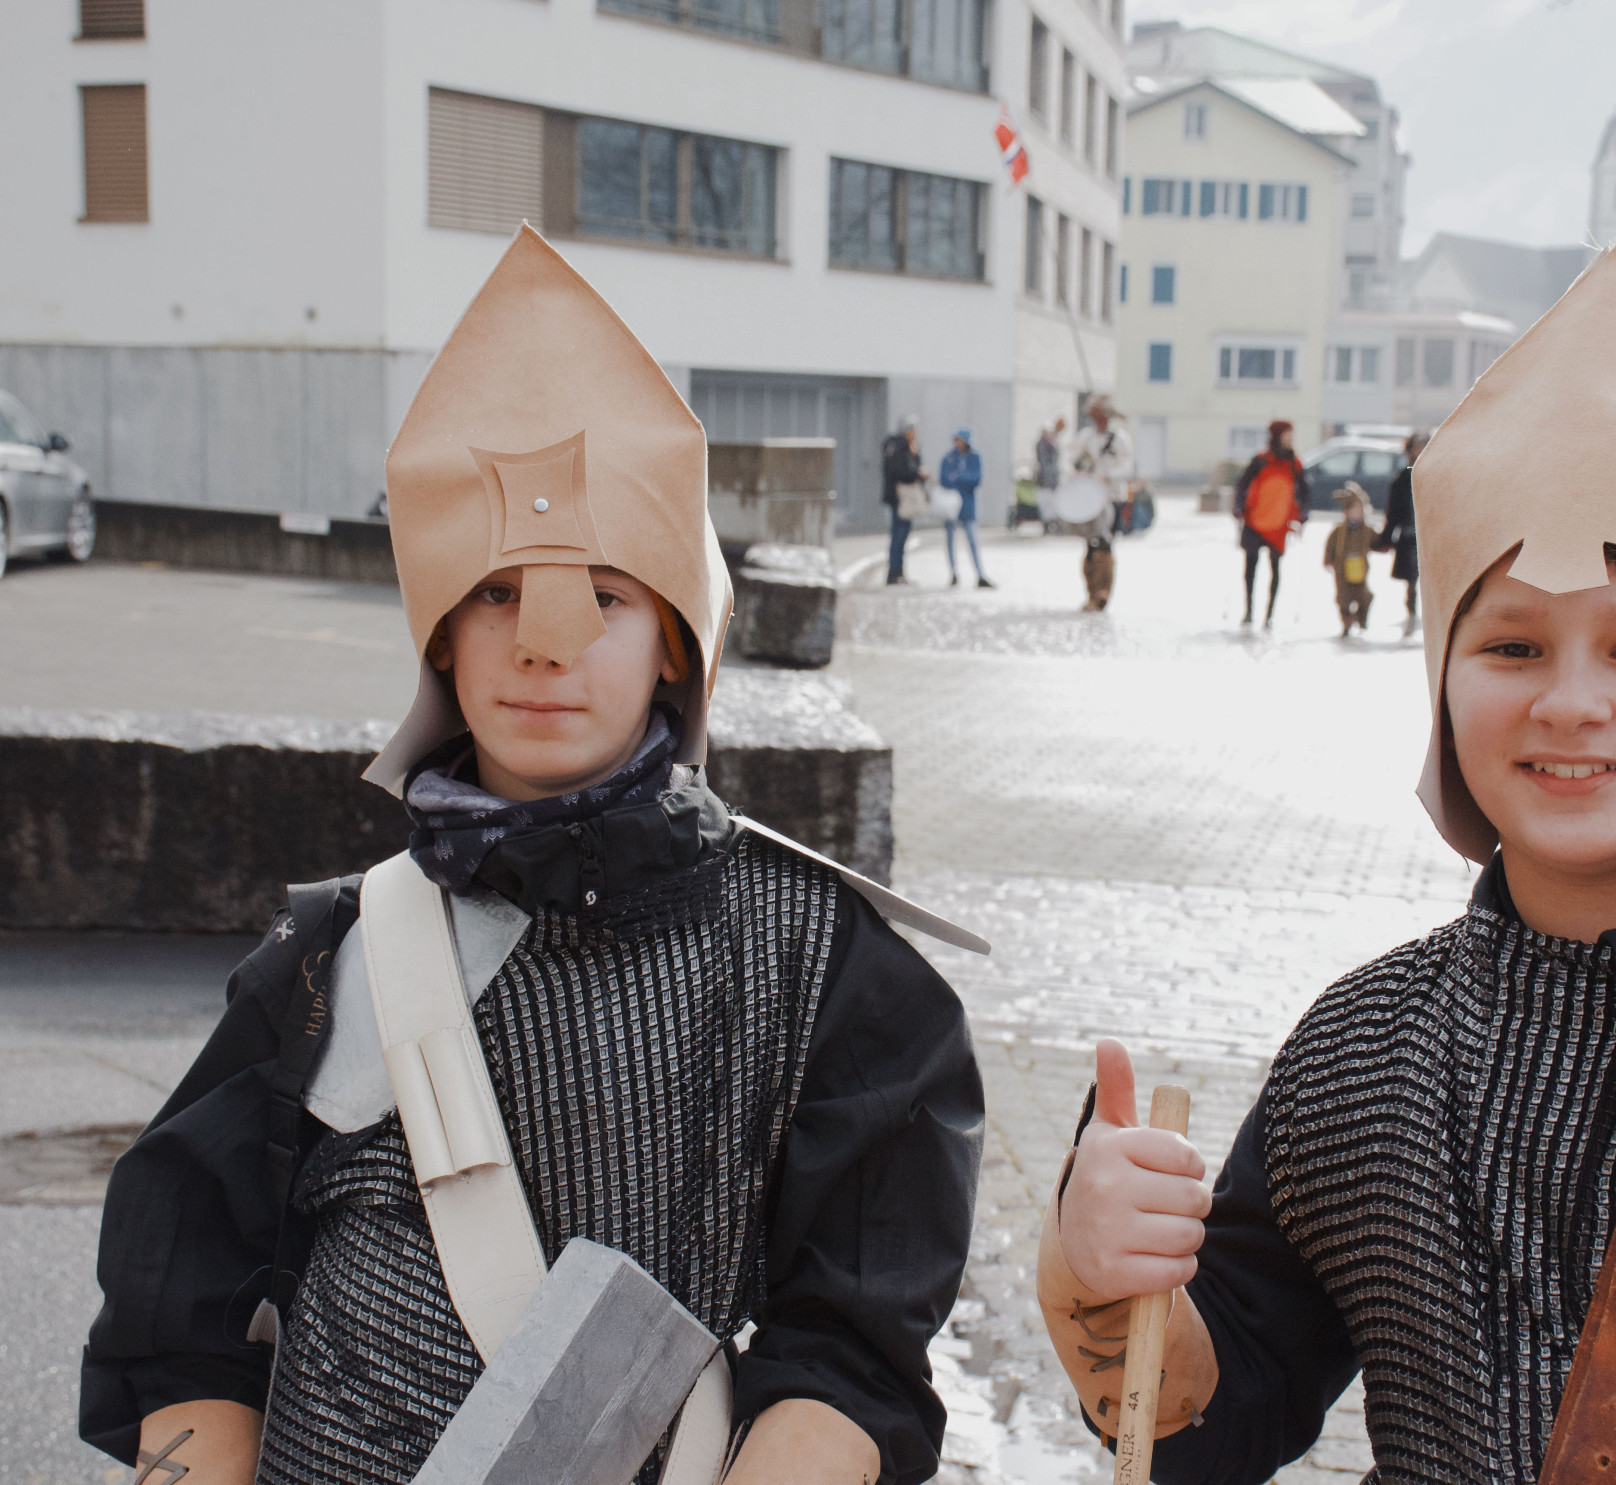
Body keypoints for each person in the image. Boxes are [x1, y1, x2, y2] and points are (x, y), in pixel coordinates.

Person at [1035, 243, 1616, 1482]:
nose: (1568, 702)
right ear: (1442, 686)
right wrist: (1097, 1272)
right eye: (1510, 647)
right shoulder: (1361, 1051)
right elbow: (1211, 1424)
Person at [80, 227, 984, 1485]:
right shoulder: (330, 960)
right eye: (496, 592)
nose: (543, 645)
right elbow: (182, 1312)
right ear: (440, 634)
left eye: (603, 597)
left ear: (673, 644)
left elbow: (853, 1352)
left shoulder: (823, 967)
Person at [1232, 420, 1308, 628]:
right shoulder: (1260, 460)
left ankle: (1269, 614)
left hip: (1279, 522)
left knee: (1275, 566)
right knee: (1251, 565)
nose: (1291, 439)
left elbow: (1305, 489)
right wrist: (1239, 506)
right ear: (1278, 436)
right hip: (1255, 520)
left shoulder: (1294, 463)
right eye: (1287, 434)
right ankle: (1249, 610)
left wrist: (1303, 512)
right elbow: (1242, 484)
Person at [1067, 397, 1133, 612]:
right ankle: (1091, 592)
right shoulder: (1086, 437)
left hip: (1112, 497)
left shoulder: (1119, 439)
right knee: (1090, 545)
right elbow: (1070, 459)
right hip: (1090, 498)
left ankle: (1102, 593)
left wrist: (1108, 474)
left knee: (1106, 543)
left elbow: (1127, 466)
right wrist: (1078, 473)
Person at [1375, 429, 1425, 637]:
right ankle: (1412, 612)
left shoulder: (1437, 476)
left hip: (1430, 537)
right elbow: (1393, 511)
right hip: (1409, 535)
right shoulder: (1403, 479)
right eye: (1417, 447)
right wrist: (1386, 538)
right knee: (1412, 580)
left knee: (1431, 580)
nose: (1421, 451)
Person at [937, 426, 996, 589]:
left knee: (972, 539)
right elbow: (944, 479)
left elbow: (976, 479)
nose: (958, 443)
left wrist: (957, 477)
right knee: (950, 539)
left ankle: (980, 574)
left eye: (961, 440)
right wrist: (960, 479)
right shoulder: (948, 458)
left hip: (968, 504)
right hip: (950, 505)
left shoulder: (975, 457)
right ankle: (953, 573)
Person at [1321, 482, 1375, 636]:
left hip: (1360, 569)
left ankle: (1361, 619)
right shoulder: (1339, 532)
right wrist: (1328, 560)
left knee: (1365, 596)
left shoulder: (1366, 531)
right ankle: (1347, 623)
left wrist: (1385, 545)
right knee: (1343, 599)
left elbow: (1376, 542)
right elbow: (1330, 546)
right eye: (1353, 510)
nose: (1357, 514)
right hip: (1342, 570)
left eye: (1359, 510)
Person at [881, 415, 926, 586]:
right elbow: (900, 471)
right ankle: (894, 572)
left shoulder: (902, 445)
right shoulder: (899, 446)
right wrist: (917, 473)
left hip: (899, 496)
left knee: (902, 534)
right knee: (898, 535)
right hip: (900, 496)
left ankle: (898, 571)